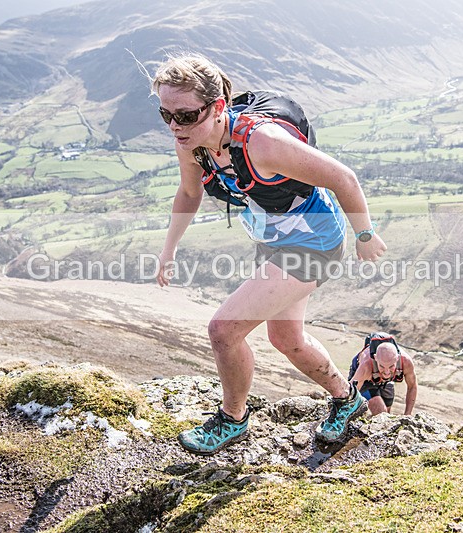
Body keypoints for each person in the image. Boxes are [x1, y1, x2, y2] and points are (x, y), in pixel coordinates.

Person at [151, 53, 387, 455]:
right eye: (166, 114)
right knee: (286, 338)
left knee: (223, 330)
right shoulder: (191, 144)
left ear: (218, 107)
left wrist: (364, 233)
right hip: (275, 238)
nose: (175, 126)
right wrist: (168, 249)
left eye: (186, 115)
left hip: (314, 241)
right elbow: (190, 193)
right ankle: (347, 400)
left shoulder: (263, 143)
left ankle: (232, 420)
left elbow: (343, 178)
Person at [347, 333, 417, 416]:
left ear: (397, 358)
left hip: (385, 381)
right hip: (366, 381)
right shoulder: (366, 366)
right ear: (375, 358)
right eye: (382, 366)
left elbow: (412, 386)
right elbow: (350, 394)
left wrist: (408, 414)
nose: (387, 372)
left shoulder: (406, 362)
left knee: (387, 411)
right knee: (381, 411)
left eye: (391, 366)